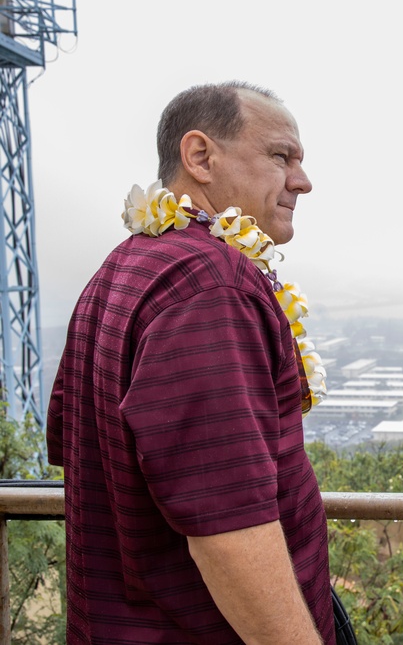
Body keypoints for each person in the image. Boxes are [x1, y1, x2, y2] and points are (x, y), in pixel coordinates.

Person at [47, 81, 336, 643]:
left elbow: (72, 445)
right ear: (200, 156)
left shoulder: (123, 268)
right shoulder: (212, 286)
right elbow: (229, 528)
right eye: (281, 156)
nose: (302, 181)